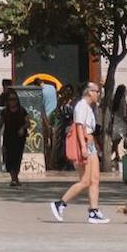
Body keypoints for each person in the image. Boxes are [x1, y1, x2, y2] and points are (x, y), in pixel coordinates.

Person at [50, 78, 108, 224]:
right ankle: (60, 203)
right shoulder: (81, 106)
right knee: (85, 180)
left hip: (90, 143)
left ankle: (93, 211)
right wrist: (83, 147)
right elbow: (79, 127)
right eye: (96, 91)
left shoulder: (88, 107)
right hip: (86, 143)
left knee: (94, 179)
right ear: (89, 92)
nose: (98, 94)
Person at [0, 87, 29, 186]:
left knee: (17, 158)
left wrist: (22, 128)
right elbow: (0, 124)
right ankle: (13, 178)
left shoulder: (22, 111)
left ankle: (15, 178)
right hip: (8, 137)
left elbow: (28, 123)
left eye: (14, 99)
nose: (12, 102)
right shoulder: (5, 112)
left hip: (19, 138)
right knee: (9, 158)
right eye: (10, 100)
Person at [106, 83, 127, 172]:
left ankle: (115, 155)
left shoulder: (115, 100)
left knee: (116, 140)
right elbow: (124, 114)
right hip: (121, 122)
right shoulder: (123, 101)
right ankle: (109, 155)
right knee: (118, 140)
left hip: (115, 122)